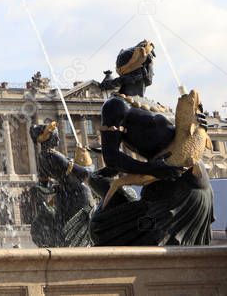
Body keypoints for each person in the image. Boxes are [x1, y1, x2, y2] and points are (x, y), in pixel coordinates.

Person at [88, 40, 213, 245]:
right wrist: (152, 169)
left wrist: (200, 125)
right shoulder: (116, 105)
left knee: (194, 256)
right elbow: (111, 157)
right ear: (143, 69)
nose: (153, 72)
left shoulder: (156, 105)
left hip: (197, 186)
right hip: (167, 189)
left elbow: (180, 136)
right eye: (151, 66)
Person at [27, 121, 96, 247]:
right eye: (56, 135)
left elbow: (44, 185)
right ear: (49, 138)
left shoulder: (42, 157)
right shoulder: (55, 156)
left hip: (62, 196)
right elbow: (84, 173)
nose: (58, 138)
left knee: (66, 232)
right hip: (78, 194)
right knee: (83, 232)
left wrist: (47, 190)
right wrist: (87, 160)